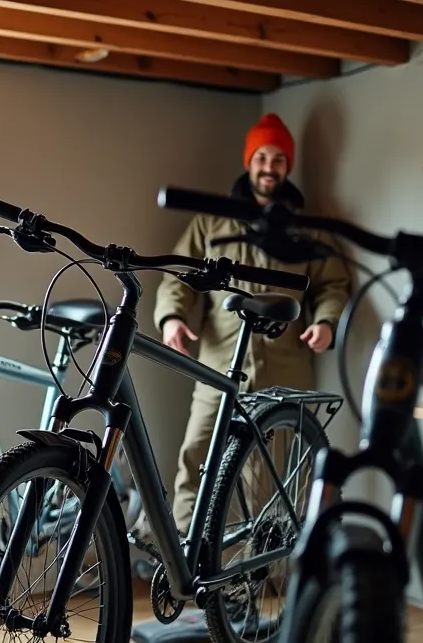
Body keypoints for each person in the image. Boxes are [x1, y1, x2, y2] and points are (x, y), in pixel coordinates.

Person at [149, 112, 350, 537]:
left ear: (287, 166)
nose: (269, 167)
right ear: (249, 161)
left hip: (284, 369)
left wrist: (327, 323)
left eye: (278, 159)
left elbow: (333, 283)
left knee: (264, 477)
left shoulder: (304, 227)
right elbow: (177, 278)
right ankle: (184, 563)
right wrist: (171, 320)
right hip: (217, 367)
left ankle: (246, 585)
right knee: (197, 458)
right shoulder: (211, 222)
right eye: (262, 157)